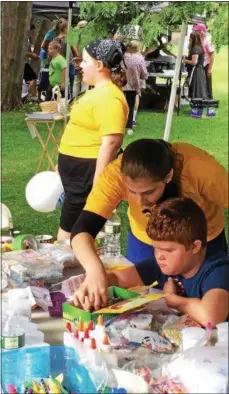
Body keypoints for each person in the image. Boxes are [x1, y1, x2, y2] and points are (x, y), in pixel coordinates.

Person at [70, 138, 228, 310]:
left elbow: (211, 313)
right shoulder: (115, 174)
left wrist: (175, 301)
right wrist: (95, 272)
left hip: (201, 242)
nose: (140, 202)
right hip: (146, 239)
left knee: (208, 297)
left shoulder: (201, 169)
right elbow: (83, 228)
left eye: (149, 192)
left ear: (168, 176)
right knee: (146, 297)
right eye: (131, 191)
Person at [74, 198, 229, 326]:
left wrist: (173, 300)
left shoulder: (218, 270)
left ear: (195, 247)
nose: (160, 256)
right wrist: (92, 285)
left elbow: (211, 317)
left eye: (168, 250)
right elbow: (119, 278)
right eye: (156, 248)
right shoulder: (162, 264)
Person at [57, 38, 129, 241]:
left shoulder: (109, 98)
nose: (80, 65)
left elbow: (111, 143)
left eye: (85, 61)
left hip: (87, 171)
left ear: (99, 65)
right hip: (78, 171)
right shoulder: (99, 92)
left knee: (75, 227)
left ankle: (71, 259)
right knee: (74, 221)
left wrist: (99, 181)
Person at [122, 40, 148, 135]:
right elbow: (144, 74)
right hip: (132, 85)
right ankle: (129, 127)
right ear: (137, 48)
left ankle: (118, 124)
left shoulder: (121, 56)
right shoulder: (139, 58)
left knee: (118, 104)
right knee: (130, 106)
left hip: (120, 83)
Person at [182, 32, 208, 100]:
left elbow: (194, 62)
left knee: (196, 88)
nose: (189, 40)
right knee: (199, 88)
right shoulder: (199, 47)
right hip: (199, 70)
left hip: (196, 70)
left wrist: (186, 61)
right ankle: (198, 106)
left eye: (190, 38)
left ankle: (197, 105)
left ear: (193, 39)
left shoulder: (195, 49)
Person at [193, 23, 215, 99]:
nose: (195, 32)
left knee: (207, 84)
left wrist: (210, 68)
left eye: (196, 31)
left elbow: (212, 54)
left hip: (206, 65)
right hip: (200, 64)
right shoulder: (199, 39)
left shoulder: (208, 40)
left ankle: (208, 101)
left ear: (201, 31)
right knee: (201, 84)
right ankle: (201, 99)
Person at [24, 24, 40, 100]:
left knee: (32, 78)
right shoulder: (24, 39)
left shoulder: (27, 39)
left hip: (25, 62)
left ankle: (31, 96)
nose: (34, 33)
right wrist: (32, 54)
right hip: (22, 63)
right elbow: (22, 52)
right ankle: (32, 97)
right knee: (33, 78)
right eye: (33, 31)